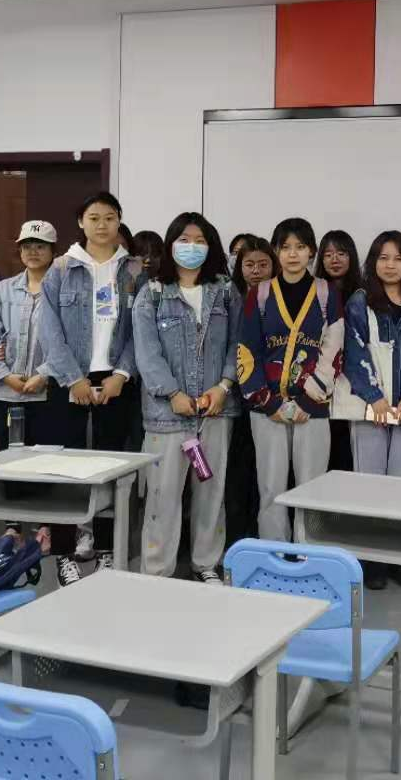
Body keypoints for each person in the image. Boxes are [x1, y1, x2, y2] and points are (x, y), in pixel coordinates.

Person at [38, 192, 144, 575]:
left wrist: (121, 375)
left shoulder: (135, 271)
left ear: (119, 221)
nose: (102, 224)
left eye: (110, 217)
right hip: (70, 380)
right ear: (81, 222)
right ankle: (66, 551)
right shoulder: (60, 269)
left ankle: (105, 547)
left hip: (115, 381)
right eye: (94, 217)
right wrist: (72, 379)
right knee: (66, 467)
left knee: (109, 466)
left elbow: (141, 330)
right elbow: (49, 330)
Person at [132, 212, 240, 584]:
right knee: (161, 497)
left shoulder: (225, 291)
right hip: (166, 414)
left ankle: (206, 564)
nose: (191, 247)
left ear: (210, 246)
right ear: (170, 244)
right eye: (184, 239)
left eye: (199, 241)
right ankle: (156, 571)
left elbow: (237, 344)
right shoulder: (152, 293)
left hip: (215, 410)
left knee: (211, 492)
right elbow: (146, 354)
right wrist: (173, 393)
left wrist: (223, 386)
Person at [339, 230, 401, 589]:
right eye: (383, 258)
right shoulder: (360, 302)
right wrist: (375, 397)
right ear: (373, 262)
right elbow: (354, 353)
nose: (390, 265)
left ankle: (396, 558)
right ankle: (371, 562)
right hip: (372, 409)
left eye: (398, 258)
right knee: (370, 485)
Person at [236, 217, 344, 542]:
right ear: (276, 251)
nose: (293, 254)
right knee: (271, 487)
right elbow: (247, 350)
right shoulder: (260, 294)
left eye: (300, 247)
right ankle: (273, 553)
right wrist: (267, 401)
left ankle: (310, 554)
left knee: (313, 487)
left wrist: (309, 399)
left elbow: (334, 347)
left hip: (313, 407)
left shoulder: (327, 293)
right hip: (267, 408)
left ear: (311, 251)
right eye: (285, 247)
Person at [0, 221, 61, 454]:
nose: (33, 252)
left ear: (53, 251)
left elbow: (69, 341)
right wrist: (5, 376)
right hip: (5, 393)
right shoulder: (3, 289)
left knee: (44, 459)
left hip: (48, 392)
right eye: (27, 246)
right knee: (9, 458)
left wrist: (44, 375)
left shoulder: (63, 290)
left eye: (40, 246)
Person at [224, 237, 273, 547]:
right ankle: (235, 540)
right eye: (249, 264)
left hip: (266, 399)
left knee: (264, 473)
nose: (256, 271)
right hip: (232, 399)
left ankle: (259, 537)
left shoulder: (278, 299)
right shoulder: (229, 297)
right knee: (236, 472)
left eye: (263, 264)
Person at [318, 229, 362, 473]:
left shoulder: (363, 294)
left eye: (341, 253)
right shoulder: (313, 292)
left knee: (349, 455)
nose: (334, 259)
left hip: (353, 383)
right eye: (328, 254)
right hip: (319, 383)